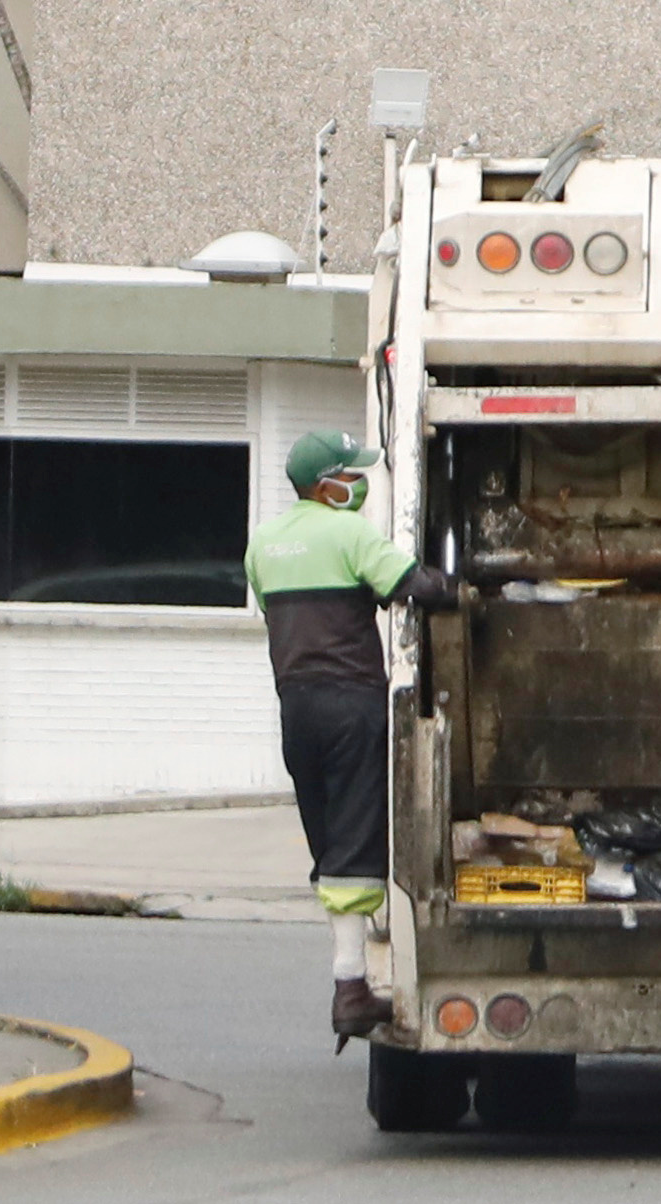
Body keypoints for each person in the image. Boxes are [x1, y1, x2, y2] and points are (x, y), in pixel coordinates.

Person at [247, 430, 457, 1045]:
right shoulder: (349, 534)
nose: (358, 487)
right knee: (357, 837)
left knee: (329, 834)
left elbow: (278, 613)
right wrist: (464, 591)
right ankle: (350, 987)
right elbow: (411, 586)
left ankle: (349, 978)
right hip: (351, 706)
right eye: (351, 476)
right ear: (326, 484)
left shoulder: (262, 544)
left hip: (296, 707)